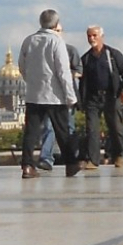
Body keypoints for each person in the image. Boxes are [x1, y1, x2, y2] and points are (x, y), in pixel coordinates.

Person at [17, 10, 83, 179]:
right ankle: (71, 163)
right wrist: (70, 96)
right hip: (54, 95)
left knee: (31, 132)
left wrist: (31, 81)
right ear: (55, 24)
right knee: (63, 131)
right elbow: (63, 71)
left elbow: (22, 66)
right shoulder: (56, 42)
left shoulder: (29, 40)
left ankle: (27, 166)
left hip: (34, 94)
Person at [80, 24, 123, 169]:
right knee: (92, 129)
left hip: (111, 96)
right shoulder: (86, 58)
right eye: (89, 36)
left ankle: (119, 155)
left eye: (94, 35)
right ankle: (93, 160)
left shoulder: (113, 55)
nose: (91, 38)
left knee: (115, 127)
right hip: (93, 99)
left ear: (101, 36)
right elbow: (83, 81)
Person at [38, 36, 82, 170]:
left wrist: (63, 74)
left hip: (65, 95)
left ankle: (72, 157)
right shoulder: (43, 51)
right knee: (48, 127)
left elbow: (79, 72)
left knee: (68, 128)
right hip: (49, 96)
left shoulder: (70, 50)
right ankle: (46, 158)